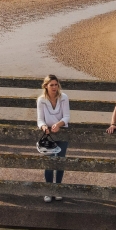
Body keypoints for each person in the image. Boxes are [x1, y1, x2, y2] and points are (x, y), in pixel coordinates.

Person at [37, 74, 70, 203]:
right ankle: (48, 190)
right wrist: (44, 126)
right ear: (46, 86)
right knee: (49, 162)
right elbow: (39, 119)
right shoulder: (41, 100)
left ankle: (58, 189)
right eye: (51, 85)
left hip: (62, 133)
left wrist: (59, 124)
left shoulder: (64, 98)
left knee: (60, 161)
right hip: (49, 135)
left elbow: (67, 117)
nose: (54, 87)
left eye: (56, 84)